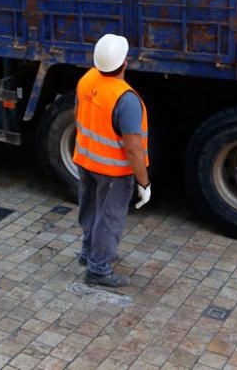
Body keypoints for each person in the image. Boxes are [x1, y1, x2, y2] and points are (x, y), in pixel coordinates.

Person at [74, 34, 152, 288]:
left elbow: (79, 116)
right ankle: (98, 269)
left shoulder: (87, 80)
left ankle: (89, 253)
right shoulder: (126, 99)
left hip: (85, 159)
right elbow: (133, 149)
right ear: (125, 63)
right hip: (113, 171)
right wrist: (144, 182)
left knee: (90, 209)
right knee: (109, 219)